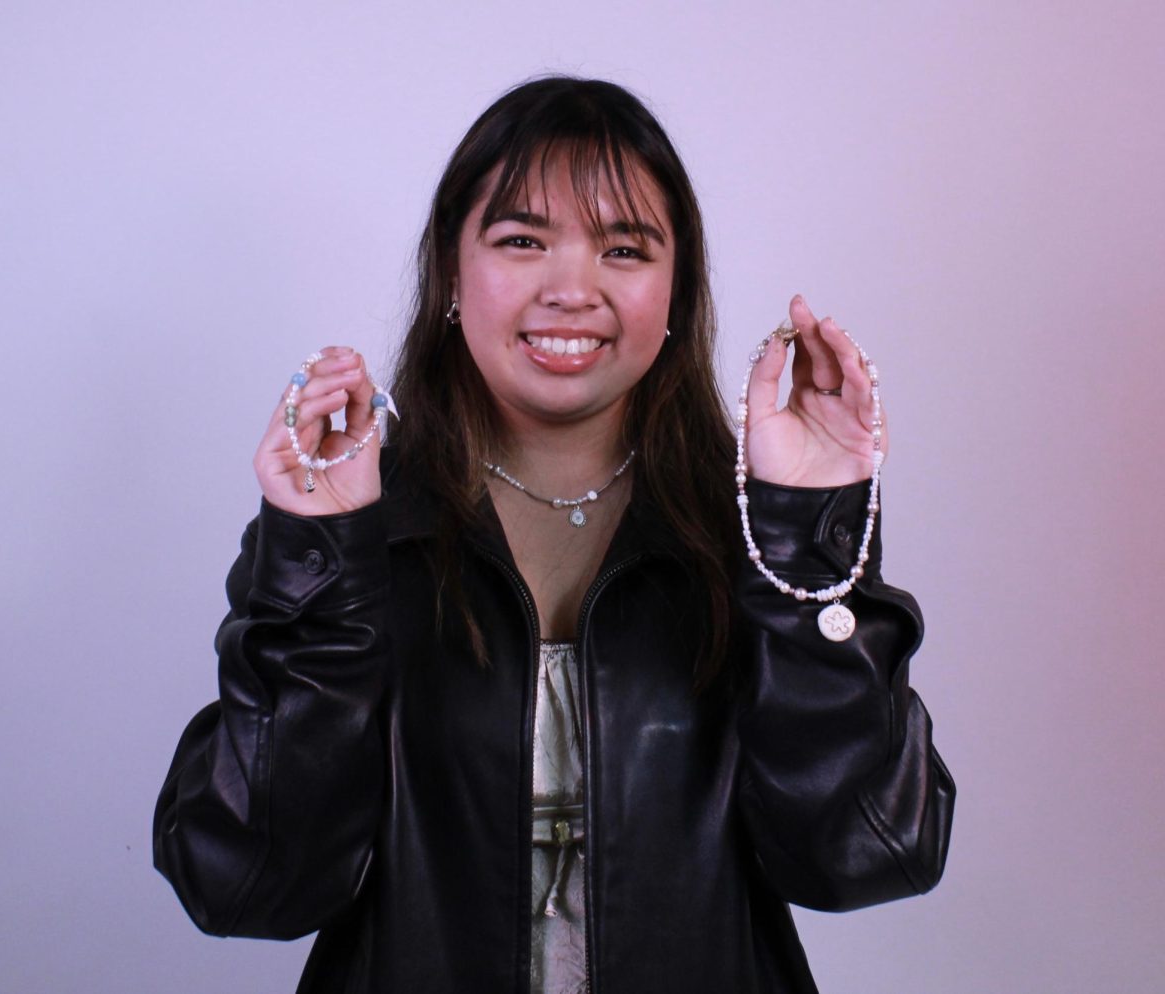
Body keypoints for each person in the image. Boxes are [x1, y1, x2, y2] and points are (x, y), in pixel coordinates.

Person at [154, 76, 954, 994]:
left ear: (677, 289)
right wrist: (322, 558)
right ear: (453, 273)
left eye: (625, 247)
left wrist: (806, 537)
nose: (572, 289)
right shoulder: (356, 520)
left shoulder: (752, 523)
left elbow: (866, 857)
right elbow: (244, 885)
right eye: (522, 240)